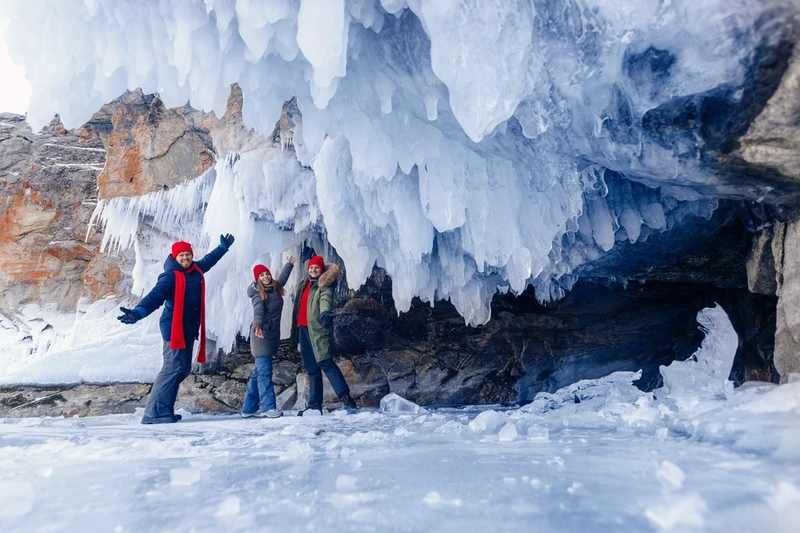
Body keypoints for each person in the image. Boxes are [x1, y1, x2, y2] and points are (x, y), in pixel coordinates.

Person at [117, 234, 235, 424]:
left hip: (188, 328)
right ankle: (153, 413)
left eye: (188, 254)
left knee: (182, 369)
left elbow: (208, 261)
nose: (185, 258)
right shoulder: (170, 277)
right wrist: (137, 313)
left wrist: (222, 248)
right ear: (174, 257)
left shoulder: (195, 270)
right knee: (172, 367)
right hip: (173, 327)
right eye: (181, 255)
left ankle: (164, 410)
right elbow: (155, 297)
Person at [290, 255, 357, 414]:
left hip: (317, 329)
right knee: (311, 367)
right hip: (303, 329)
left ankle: (345, 397)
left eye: (317, 268)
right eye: (311, 268)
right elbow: (310, 264)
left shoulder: (324, 285)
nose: (313, 270)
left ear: (322, 271)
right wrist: (309, 255)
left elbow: (325, 299)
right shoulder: (305, 282)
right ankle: (314, 404)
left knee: (325, 362)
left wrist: (325, 312)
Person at [241, 255, 296, 418]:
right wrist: (257, 325)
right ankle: (268, 407)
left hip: (270, 335)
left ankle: (248, 408)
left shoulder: (274, 288)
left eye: (267, 274)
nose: (265, 277)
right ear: (257, 279)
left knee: (258, 372)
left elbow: (282, 280)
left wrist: (289, 265)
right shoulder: (258, 294)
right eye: (261, 275)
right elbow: (258, 311)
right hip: (261, 335)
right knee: (264, 372)